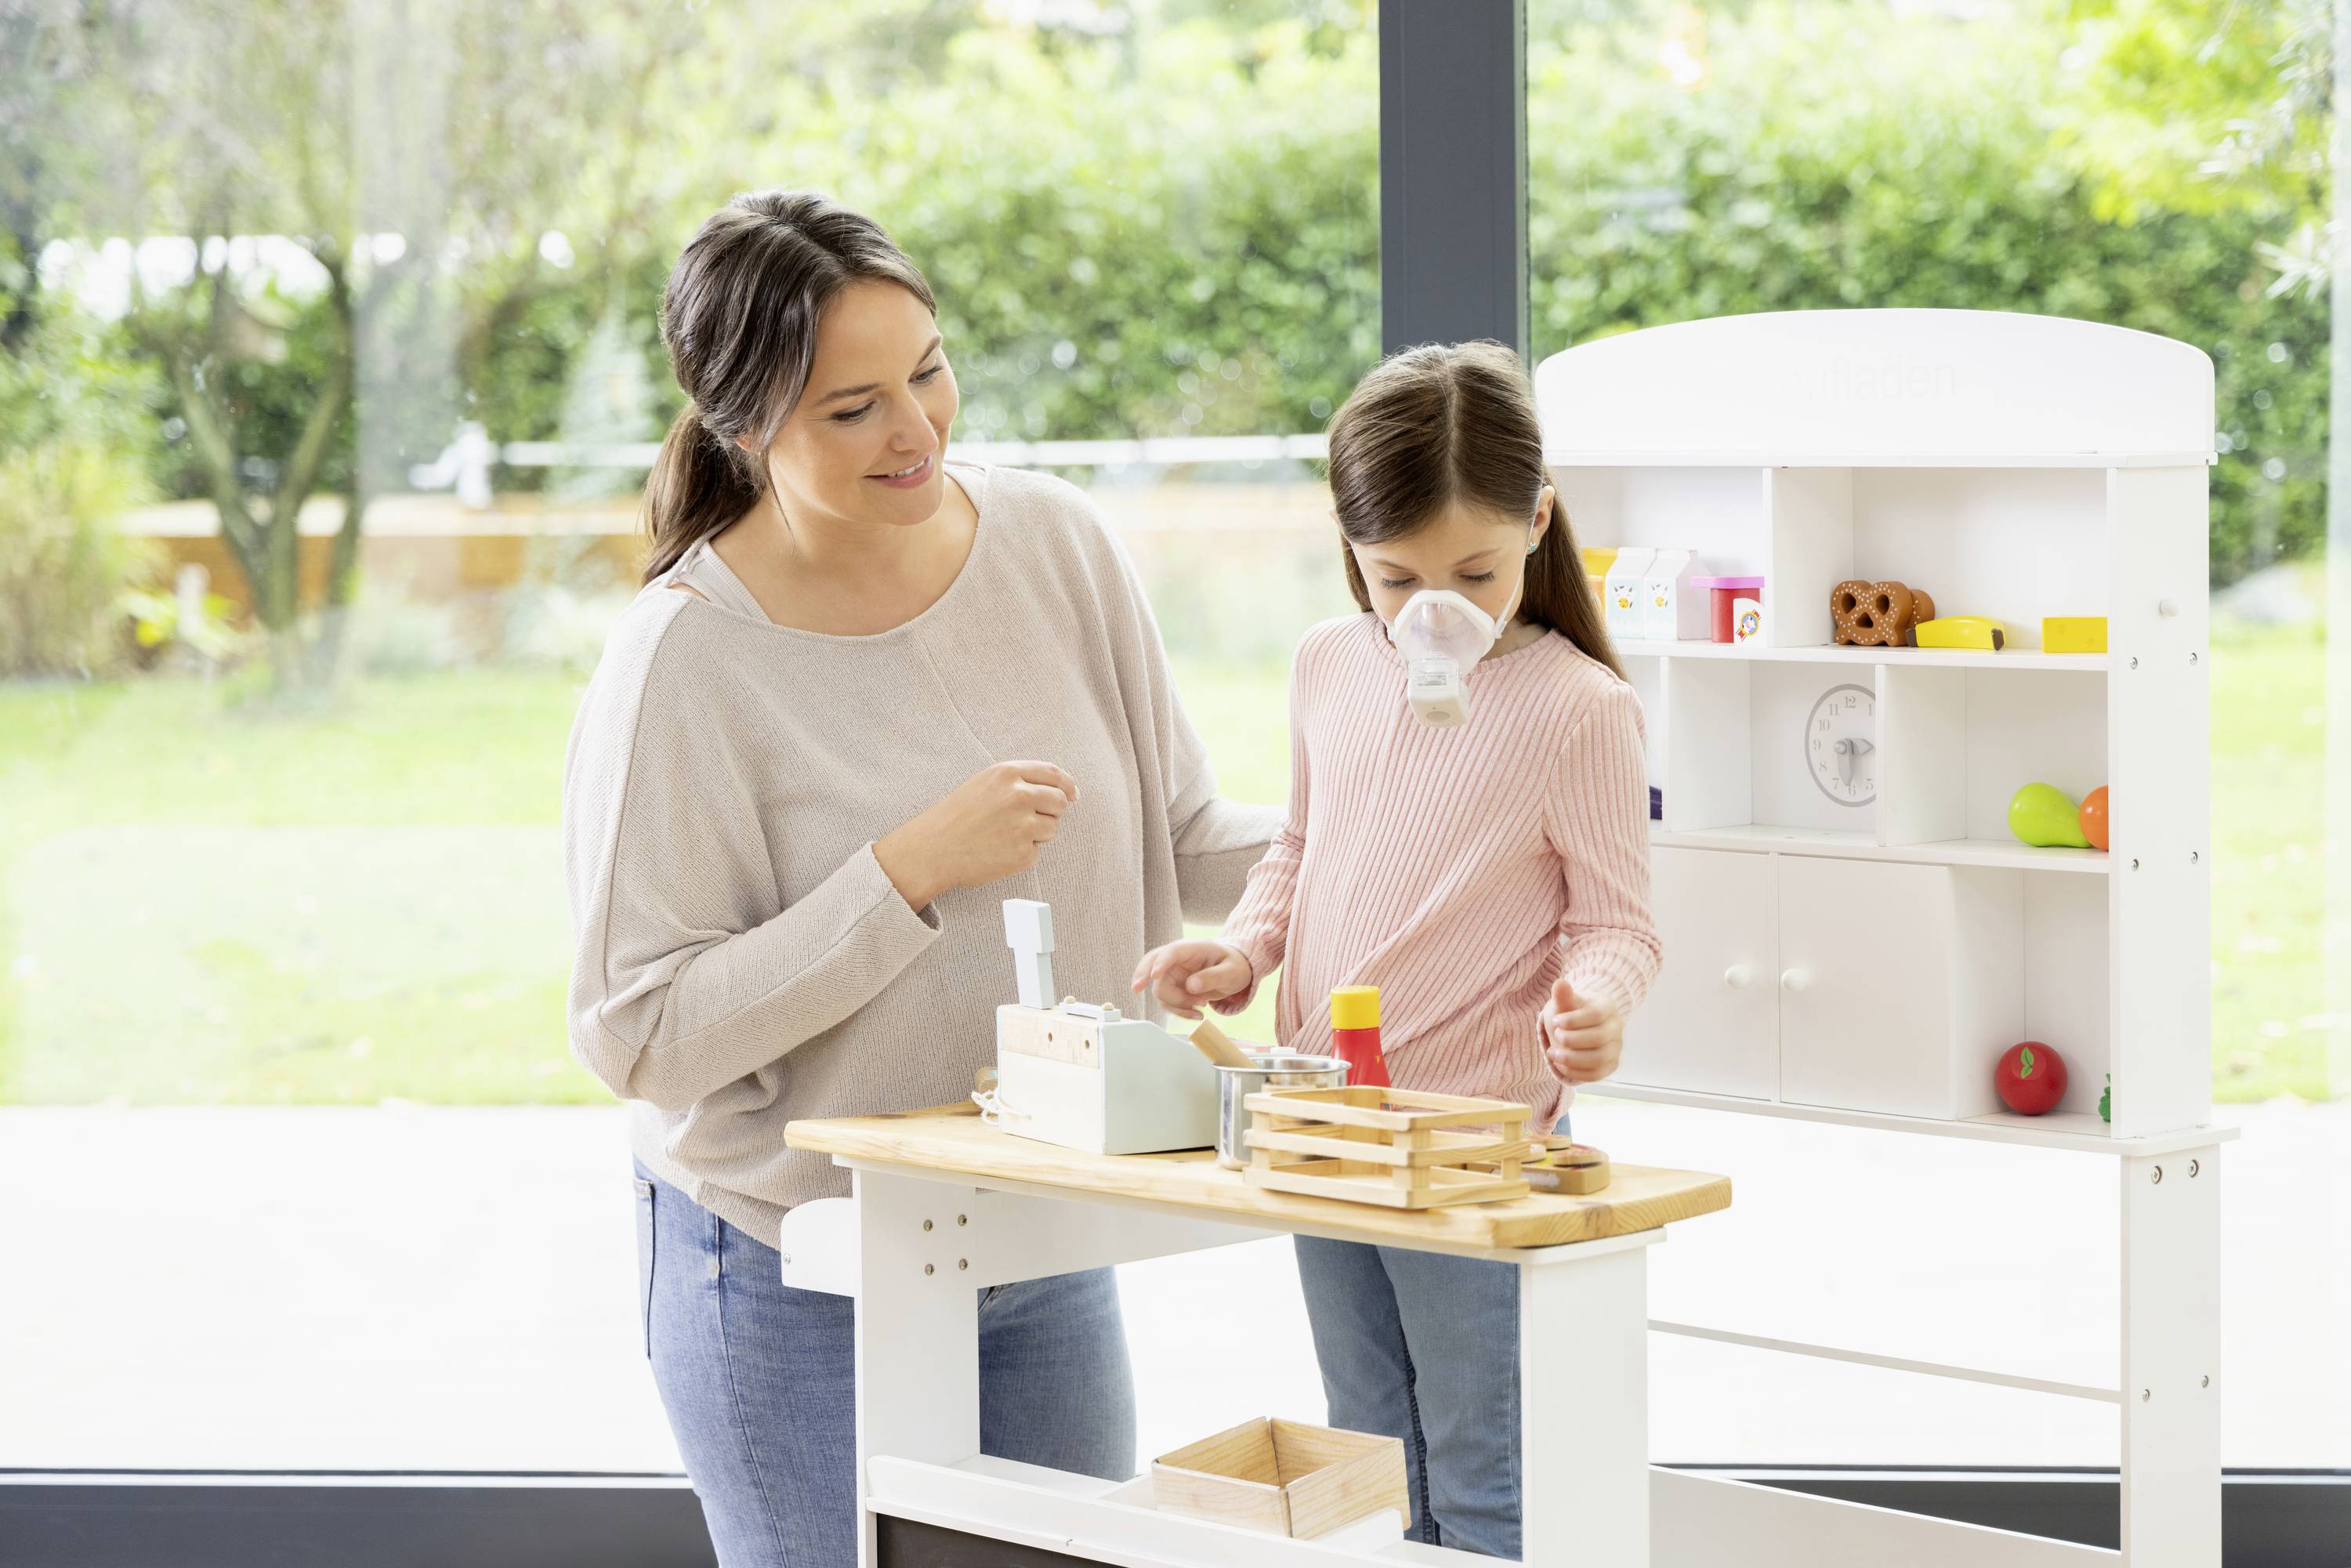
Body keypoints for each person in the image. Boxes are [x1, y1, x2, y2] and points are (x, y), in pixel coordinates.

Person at [563, 190, 1277, 1566]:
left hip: (1034, 1225)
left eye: (930, 370)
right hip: (793, 1264)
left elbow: (1182, 839)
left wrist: (1407, 830)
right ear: (742, 423)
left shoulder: (1055, 543)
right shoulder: (686, 662)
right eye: (853, 408)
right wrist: (900, 876)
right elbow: (637, 1032)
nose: (918, 431)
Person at [1133, 339, 1661, 1558]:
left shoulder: (1580, 707)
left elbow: (1619, 923)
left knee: (1485, 1468)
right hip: (1322, 1125)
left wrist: (1594, 1000)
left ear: (1537, 521)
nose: (1436, 606)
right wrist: (1245, 953)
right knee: (1365, 1446)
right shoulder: (1328, 661)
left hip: (1474, 1141)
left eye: (1475, 572)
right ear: (1348, 548)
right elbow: (1304, 844)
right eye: (1394, 577)